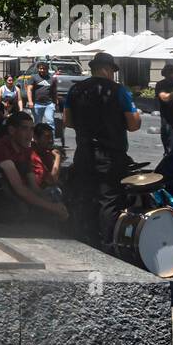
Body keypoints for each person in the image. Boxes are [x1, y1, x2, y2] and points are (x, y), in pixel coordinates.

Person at [62, 50, 141, 247]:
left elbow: (67, 121)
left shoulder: (76, 90)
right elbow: (133, 125)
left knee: (85, 196)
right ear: (107, 70)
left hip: (84, 153)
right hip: (110, 155)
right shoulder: (118, 91)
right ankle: (106, 243)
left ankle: (83, 238)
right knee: (109, 199)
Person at [0, 112, 68, 223]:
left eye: (31, 129)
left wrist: (56, 205)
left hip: (14, 197)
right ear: (12, 131)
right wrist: (52, 208)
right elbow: (20, 189)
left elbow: (34, 188)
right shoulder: (1, 150)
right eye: (24, 129)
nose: (29, 134)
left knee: (53, 194)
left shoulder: (25, 151)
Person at [28, 61, 58, 129]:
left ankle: (50, 138)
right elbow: (29, 89)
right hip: (37, 104)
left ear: (47, 69)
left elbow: (54, 91)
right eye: (40, 68)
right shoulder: (34, 77)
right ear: (38, 69)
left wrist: (56, 102)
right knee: (37, 123)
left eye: (44, 69)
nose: (42, 70)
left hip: (49, 104)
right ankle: (36, 138)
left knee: (50, 122)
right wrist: (30, 101)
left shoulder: (52, 78)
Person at [32, 123, 62, 187]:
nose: (51, 140)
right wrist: (58, 157)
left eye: (52, 137)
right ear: (35, 138)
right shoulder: (32, 155)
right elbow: (52, 180)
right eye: (47, 137)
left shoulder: (46, 152)